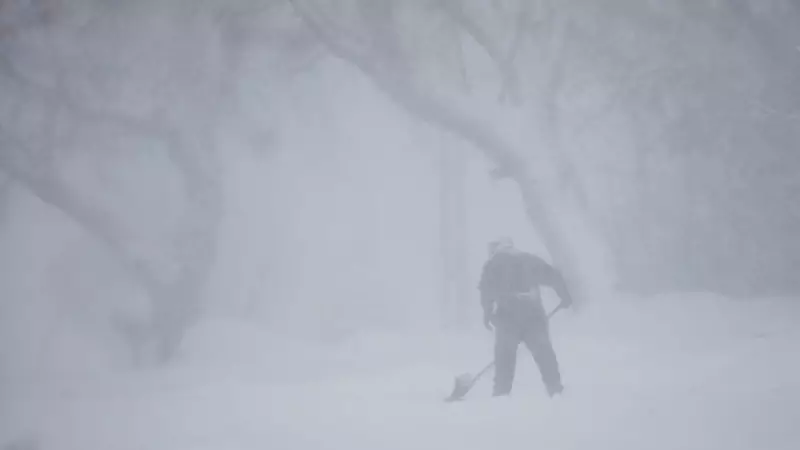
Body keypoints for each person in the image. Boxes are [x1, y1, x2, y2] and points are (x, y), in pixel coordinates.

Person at [478, 236, 573, 397]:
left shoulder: (492, 265)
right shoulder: (530, 260)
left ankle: (501, 392)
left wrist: (487, 314)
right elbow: (554, 276)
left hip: (507, 318)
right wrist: (564, 296)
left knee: (504, 356)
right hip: (533, 317)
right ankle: (555, 388)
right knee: (543, 352)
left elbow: (486, 292)